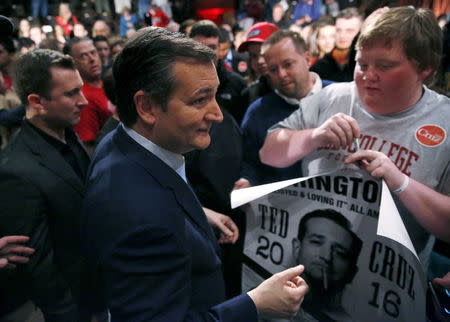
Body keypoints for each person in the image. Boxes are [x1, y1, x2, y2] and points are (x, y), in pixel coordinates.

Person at [81, 27, 308, 321]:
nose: (216, 114)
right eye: (200, 100)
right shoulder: (138, 209)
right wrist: (255, 304)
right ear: (147, 106)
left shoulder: (122, 142)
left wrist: (196, 216)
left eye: (215, 96)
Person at [260, 7, 450, 266]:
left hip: (390, 278)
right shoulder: (332, 97)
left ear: (424, 69)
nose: (368, 76)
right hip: (308, 265)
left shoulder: (444, 121)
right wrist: (314, 136)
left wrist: (400, 182)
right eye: (361, 64)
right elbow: (269, 153)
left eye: (385, 66)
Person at [0, 49, 95, 321]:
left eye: (81, 89)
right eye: (71, 94)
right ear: (36, 101)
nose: (84, 101)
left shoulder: (68, 134)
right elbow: (39, 268)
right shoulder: (15, 171)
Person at [235, 30, 332, 189]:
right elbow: (250, 164)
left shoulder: (341, 95)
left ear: (307, 59)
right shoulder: (257, 112)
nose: (281, 74)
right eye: (273, 69)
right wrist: (248, 181)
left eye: (288, 64)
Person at [293, 209, 362, 321]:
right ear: (297, 248)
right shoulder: (262, 297)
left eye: (340, 253)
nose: (326, 256)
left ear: (351, 273)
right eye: (316, 242)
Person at [64, 37, 112, 152]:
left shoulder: (107, 84)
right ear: (72, 62)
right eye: (83, 56)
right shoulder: (82, 99)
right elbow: (89, 147)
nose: (92, 59)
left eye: (93, 52)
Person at [310, 7, 363, 82]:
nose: (342, 36)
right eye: (338, 30)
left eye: (349, 31)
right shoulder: (320, 66)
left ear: (360, 33)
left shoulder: (364, 65)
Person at [238, 22, 279, 104]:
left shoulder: (302, 88)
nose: (259, 61)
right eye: (253, 56)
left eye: (263, 53)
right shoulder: (248, 95)